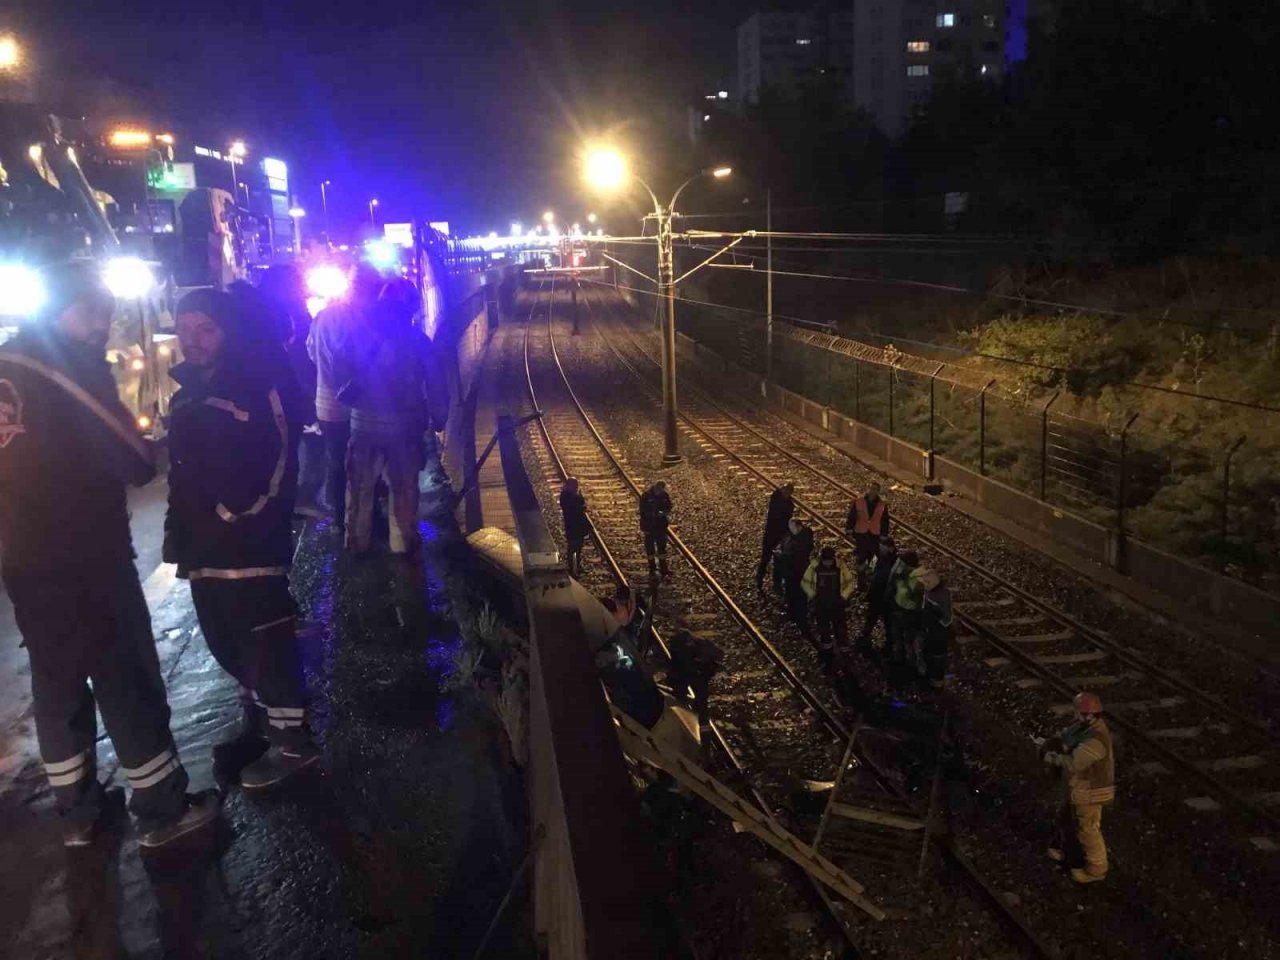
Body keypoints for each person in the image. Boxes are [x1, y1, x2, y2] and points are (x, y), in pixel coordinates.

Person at [0, 263, 218, 847]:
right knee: (125, 676)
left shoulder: (5, 366)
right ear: (67, 310)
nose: (103, 326)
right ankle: (163, 809)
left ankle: (78, 814)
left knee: (57, 682)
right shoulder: (66, 370)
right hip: (88, 558)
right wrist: (157, 445)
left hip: (24, 562)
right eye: (96, 312)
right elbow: (135, 460)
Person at [166, 288, 319, 790]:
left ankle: (294, 742)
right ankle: (258, 728)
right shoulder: (186, 394)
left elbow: (277, 460)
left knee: (265, 642)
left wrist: (235, 515)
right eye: (184, 329)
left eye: (205, 329)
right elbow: (181, 474)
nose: (192, 340)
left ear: (229, 330)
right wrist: (180, 534)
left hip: (248, 545)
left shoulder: (258, 385)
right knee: (225, 641)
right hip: (202, 547)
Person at [343, 290, 438, 558]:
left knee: (359, 488)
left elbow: (337, 369)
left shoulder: (357, 337)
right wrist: (439, 416)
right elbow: (435, 381)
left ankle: (357, 543)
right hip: (404, 428)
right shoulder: (417, 340)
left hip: (362, 426)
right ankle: (402, 543)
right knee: (403, 488)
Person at [307, 265, 381, 536]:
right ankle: (367, 518)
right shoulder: (361, 318)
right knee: (365, 462)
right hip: (358, 404)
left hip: (326, 402)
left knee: (336, 461)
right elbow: (362, 358)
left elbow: (310, 350)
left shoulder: (323, 316)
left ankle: (339, 518)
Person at [1039, 692, 1115, 884]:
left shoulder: (1097, 739)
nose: (1074, 715)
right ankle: (1065, 849)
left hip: (1091, 791)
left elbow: (1074, 763)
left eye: (1078, 712)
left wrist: (1050, 757)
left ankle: (1096, 870)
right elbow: (1065, 737)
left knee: (1087, 828)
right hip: (1078, 788)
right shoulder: (1083, 728)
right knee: (1066, 818)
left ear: (1088, 715)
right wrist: (1053, 742)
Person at [802, 545, 856, 654]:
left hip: (837, 602)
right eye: (826, 561)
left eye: (830, 560)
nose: (828, 563)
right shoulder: (814, 566)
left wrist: (844, 596)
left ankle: (842, 644)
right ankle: (827, 645)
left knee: (840, 625)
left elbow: (850, 582)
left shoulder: (840, 566)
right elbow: (805, 582)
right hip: (820, 602)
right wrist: (813, 595)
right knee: (823, 625)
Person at [846, 482, 890, 591]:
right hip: (861, 534)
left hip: (874, 534)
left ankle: (870, 580)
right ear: (868, 489)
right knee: (861, 557)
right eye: (872, 488)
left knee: (873, 558)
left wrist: (884, 534)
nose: (873, 491)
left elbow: (885, 520)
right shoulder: (859, 501)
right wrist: (849, 529)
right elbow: (852, 516)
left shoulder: (882, 505)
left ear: (878, 491)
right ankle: (861, 583)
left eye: (875, 489)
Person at [858, 537, 897, 653]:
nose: (880, 548)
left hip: (884, 595)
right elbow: (870, 569)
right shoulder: (879, 558)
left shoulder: (894, 561)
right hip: (878, 594)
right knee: (873, 617)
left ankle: (888, 643)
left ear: (890, 547)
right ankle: (867, 637)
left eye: (882, 546)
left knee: (884, 620)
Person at [777, 518, 815, 640]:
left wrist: (783, 555)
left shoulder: (803, 539)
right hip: (791, 572)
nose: (791, 530)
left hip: (797, 572)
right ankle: (793, 615)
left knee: (799, 595)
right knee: (791, 593)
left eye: (792, 527)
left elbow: (799, 554)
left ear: (798, 527)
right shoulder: (791, 536)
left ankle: (800, 617)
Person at [887, 550, 923, 677]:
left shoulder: (915, 578)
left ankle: (911, 666)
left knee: (908, 640)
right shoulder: (906, 574)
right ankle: (902, 660)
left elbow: (915, 595)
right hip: (902, 610)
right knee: (901, 638)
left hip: (908, 613)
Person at [755, 483, 795, 593]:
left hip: (778, 536)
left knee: (778, 561)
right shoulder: (778, 500)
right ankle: (760, 580)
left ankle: (775, 585)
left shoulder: (787, 504)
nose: (785, 493)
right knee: (766, 558)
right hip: (772, 534)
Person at [918, 570, 953, 687]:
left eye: (926, 583)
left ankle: (936, 683)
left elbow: (945, 618)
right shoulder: (941, 592)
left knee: (935, 657)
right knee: (934, 656)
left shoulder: (935, 598)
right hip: (936, 632)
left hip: (936, 633)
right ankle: (935, 680)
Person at [639, 480, 673, 579]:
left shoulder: (664, 495)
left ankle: (663, 568)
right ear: (656, 487)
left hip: (661, 526)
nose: (660, 491)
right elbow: (642, 511)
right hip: (649, 526)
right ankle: (652, 568)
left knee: (662, 547)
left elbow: (669, 506)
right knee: (650, 548)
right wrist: (652, 514)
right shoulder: (646, 496)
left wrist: (664, 512)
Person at [559, 477, 590, 577]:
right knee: (573, 547)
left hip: (574, 525)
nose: (576, 487)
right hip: (574, 525)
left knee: (577, 547)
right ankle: (573, 568)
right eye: (575, 486)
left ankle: (575, 567)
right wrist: (580, 499)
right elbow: (579, 507)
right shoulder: (570, 497)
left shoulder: (565, 495)